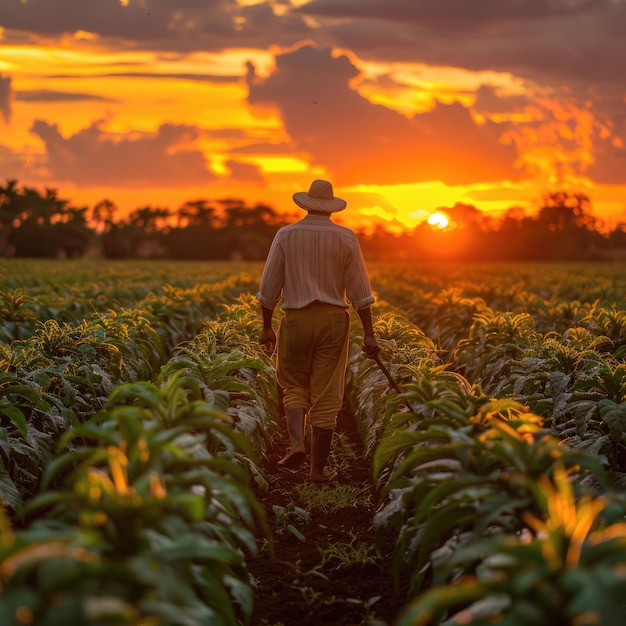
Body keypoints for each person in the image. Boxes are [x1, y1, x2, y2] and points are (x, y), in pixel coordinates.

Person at [256, 179, 380, 483]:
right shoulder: (346, 237)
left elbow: (269, 286)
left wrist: (266, 327)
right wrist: (370, 333)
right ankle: (317, 469)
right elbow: (360, 291)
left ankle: (297, 443)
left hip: (295, 318)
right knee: (327, 391)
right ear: (331, 207)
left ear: (307, 204)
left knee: (294, 383)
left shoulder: (286, 234)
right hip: (333, 320)